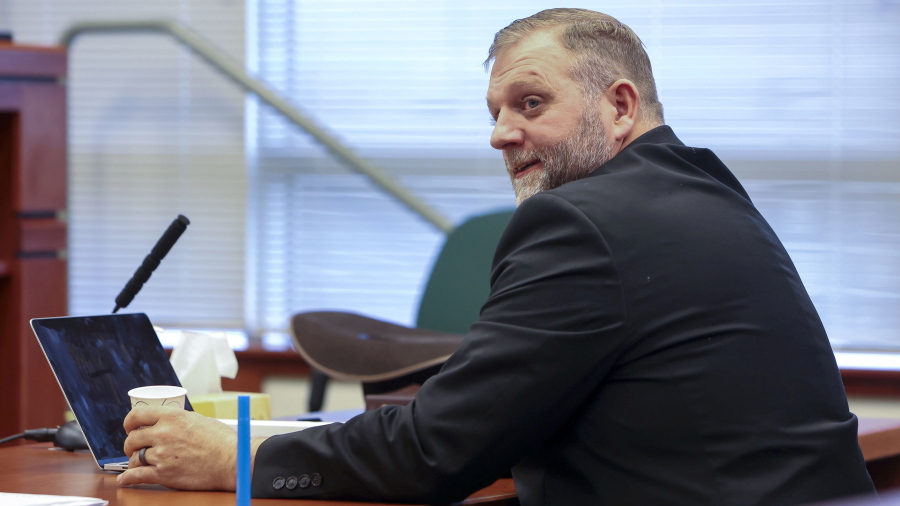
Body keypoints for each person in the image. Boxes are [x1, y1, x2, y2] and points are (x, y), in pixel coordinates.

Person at [117, 8, 877, 505]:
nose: (499, 134)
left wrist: (236, 461)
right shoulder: (708, 193)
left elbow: (433, 451)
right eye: (494, 113)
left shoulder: (582, 221)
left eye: (531, 103)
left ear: (620, 106)